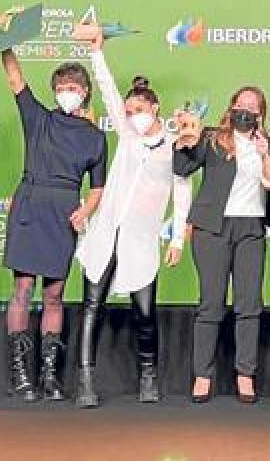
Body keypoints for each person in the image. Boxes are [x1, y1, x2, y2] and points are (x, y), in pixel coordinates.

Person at [71, 25, 191, 408]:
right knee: (92, 305)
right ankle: (85, 380)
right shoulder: (125, 135)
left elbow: (182, 189)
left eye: (138, 110)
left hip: (141, 241)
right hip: (106, 233)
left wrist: (176, 240)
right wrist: (97, 51)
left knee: (145, 312)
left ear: (154, 108)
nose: (132, 116)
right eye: (127, 112)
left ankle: (149, 375)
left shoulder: (173, 146)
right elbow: (105, 89)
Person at [0, 44, 107, 402]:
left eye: (73, 88)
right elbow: (14, 77)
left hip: (63, 210)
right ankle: (20, 373)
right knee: (23, 289)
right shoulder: (38, 118)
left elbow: (99, 187)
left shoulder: (95, 137)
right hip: (31, 202)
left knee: (54, 294)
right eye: (61, 87)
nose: (67, 94)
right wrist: (6, 42)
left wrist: (85, 210)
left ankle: (49, 376)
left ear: (85, 92)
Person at [174, 86, 270, 404]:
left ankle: (245, 375)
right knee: (211, 302)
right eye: (240, 104)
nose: (245, 110)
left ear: (261, 114)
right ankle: (202, 375)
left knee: (249, 304)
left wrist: (264, 153)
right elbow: (181, 168)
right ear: (231, 108)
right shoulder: (211, 138)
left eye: (252, 106)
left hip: (251, 228)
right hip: (212, 228)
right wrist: (183, 140)